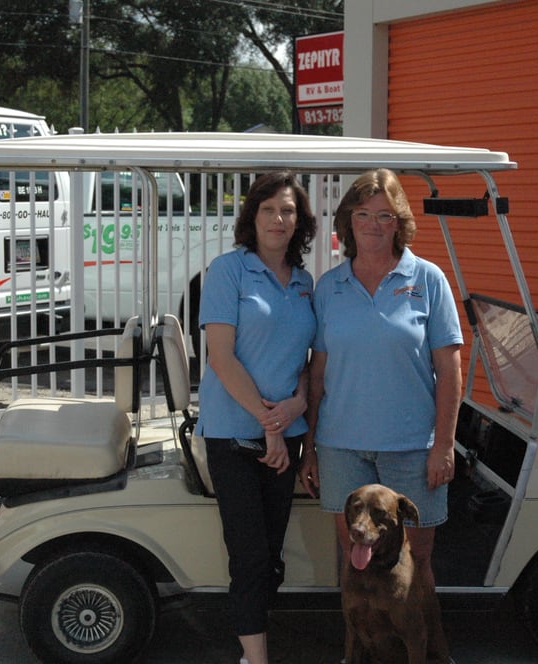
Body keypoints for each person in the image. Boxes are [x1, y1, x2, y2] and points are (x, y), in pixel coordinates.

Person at [298, 168, 463, 663]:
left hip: (411, 447)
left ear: (400, 222)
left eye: (385, 216)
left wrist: (444, 445)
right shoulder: (329, 286)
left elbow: (449, 370)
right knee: (356, 561)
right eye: (363, 214)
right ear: (348, 221)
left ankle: (429, 652)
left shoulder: (428, 280)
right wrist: (310, 447)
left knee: (418, 562)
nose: (373, 225)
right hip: (341, 447)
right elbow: (317, 374)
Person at [195, 171, 318, 664]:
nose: (278, 219)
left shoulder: (305, 282)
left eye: (287, 211)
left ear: (299, 222)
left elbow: (308, 362)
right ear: (253, 216)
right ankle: (255, 659)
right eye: (268, 209)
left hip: (285, 433)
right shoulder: (229, 271)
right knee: (249, 556)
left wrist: (300, 402)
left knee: (270, 556)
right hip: (234, 433)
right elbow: (221, 358)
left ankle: (255, 633)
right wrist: (273, 425)